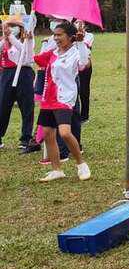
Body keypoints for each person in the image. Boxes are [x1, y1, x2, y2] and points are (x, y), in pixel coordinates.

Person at [25, 21, 91, 181]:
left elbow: (84, 64)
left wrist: (81, 43)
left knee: (65, 133)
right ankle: (57, 170)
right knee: (48, 134)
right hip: (48, 98)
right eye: (54, 35)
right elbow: (31, 59)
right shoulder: (52, 53)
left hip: (64, 99)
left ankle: (81, 164)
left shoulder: (76, 52)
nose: (56, 38)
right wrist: (29, 40)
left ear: (70, 37)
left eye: (59, 35)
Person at [0, 20, 35, 150]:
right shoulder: (5, 41)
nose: (11, 28)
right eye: (9, 27)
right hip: (7, 74)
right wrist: (6, 37)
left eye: (14, 26)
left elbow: (24, 51)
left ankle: (26, 138)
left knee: (26, 107)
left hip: (24, 73)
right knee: (3, 105)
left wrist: (10, 36)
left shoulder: (28, 40)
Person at [74, 20, 94, 122]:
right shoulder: (71, 35)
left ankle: (85, 116)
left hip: (85, 64)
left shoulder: (89, 36)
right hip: (73, 65)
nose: (79, 24)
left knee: (84, 91)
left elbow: (86, 46)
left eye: (81, 22)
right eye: (76, 22)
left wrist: (79, 38)